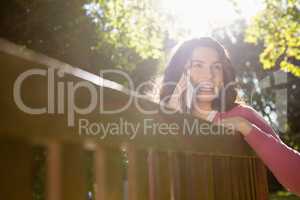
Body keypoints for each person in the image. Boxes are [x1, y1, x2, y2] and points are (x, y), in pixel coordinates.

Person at [160, 37, 300, 195]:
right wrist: (172, 112)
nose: (209, 75)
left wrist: (245, 127)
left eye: (216, 67)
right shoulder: (160, 121)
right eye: (197, 65)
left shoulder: (243, 115)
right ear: (180, 72)